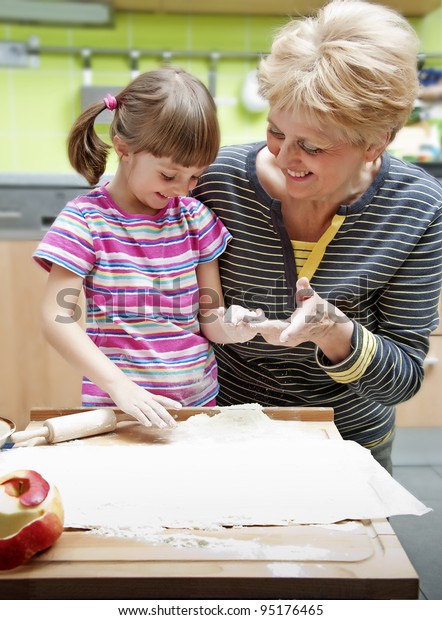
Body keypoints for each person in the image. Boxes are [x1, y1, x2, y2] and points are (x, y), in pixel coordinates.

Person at [192, 0, 442, 473]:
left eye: (311, 146)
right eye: (275, 132)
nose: (286, 157)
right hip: (221, 430)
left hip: (347, 442)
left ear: (376, 142)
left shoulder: (418, 208)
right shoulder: (215, 182)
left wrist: (336, 333)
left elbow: (404, 379)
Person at [34, 67, 259, 429]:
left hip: (197, 409)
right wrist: (120, 387)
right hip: (118, 411)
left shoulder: (194, 219)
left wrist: (238, 326)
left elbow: (211, 320)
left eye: (195, 177)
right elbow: (54, 320)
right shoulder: (87, 221)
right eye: (169, 175)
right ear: (124, 148)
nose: (183, 190)